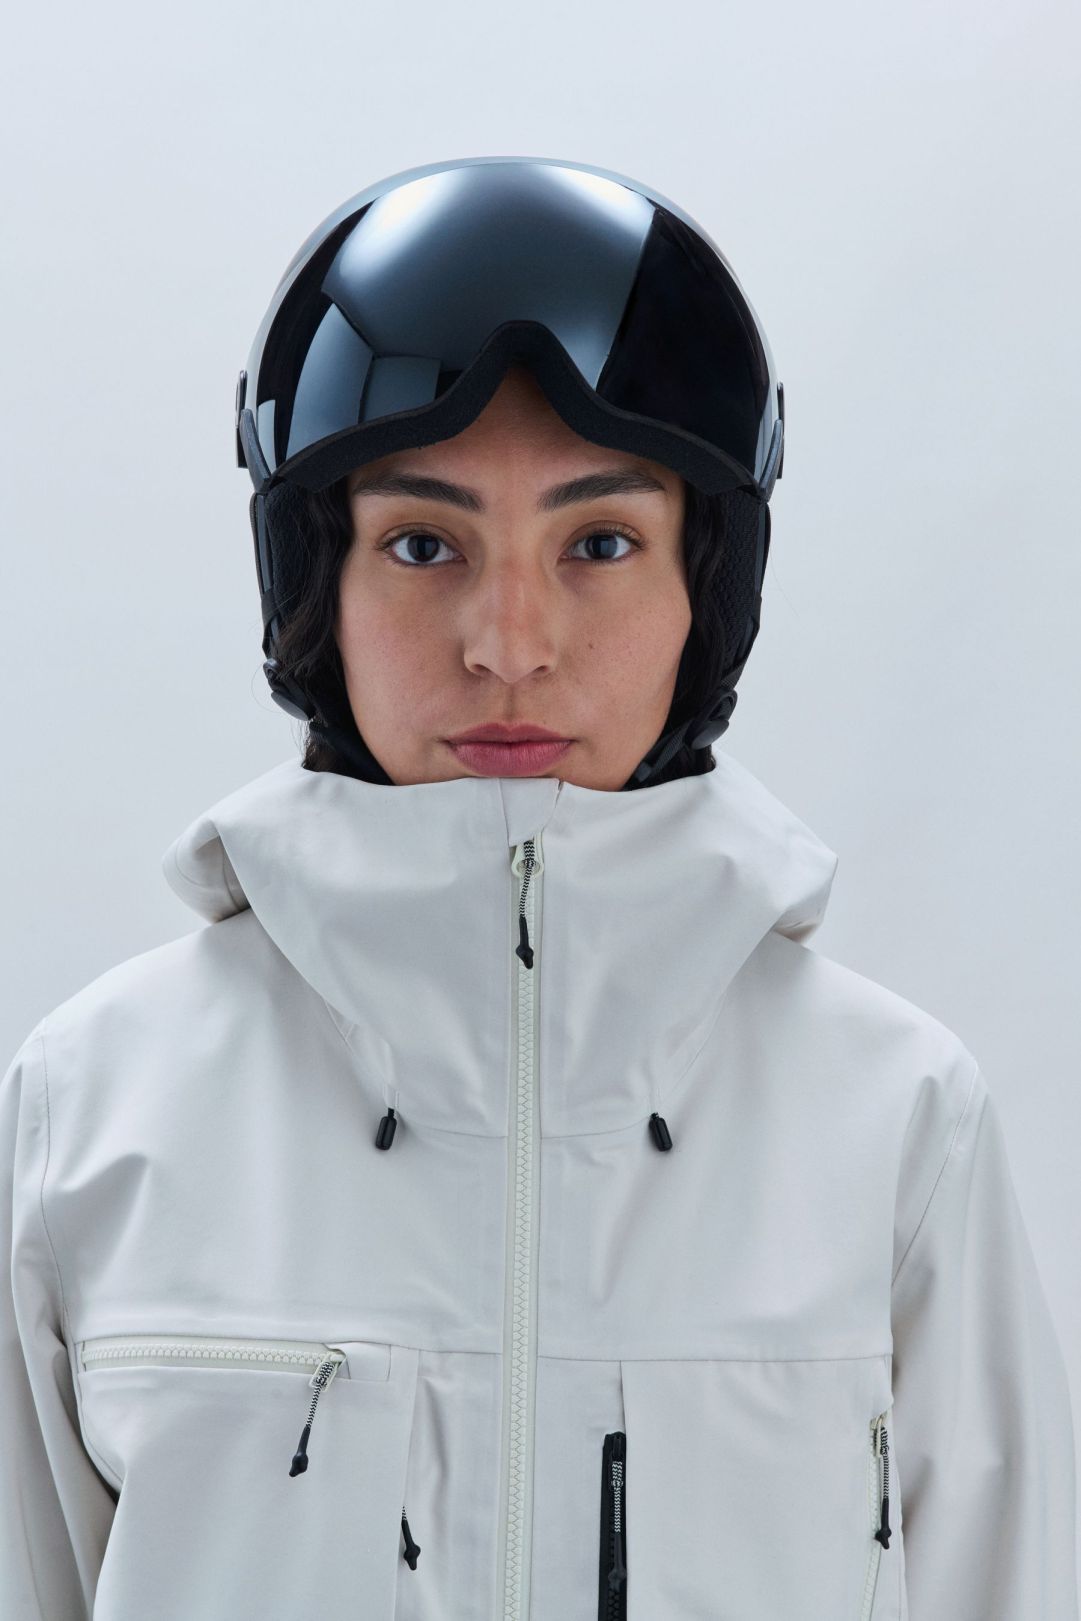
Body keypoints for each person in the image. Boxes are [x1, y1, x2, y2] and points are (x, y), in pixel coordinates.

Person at [1, 156, 1076, 1620]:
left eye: (600, 543)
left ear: (706, 584)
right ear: (315, 581)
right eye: (423, 543)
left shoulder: (895, 1123)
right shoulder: (91, 1113)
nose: (509, 642)